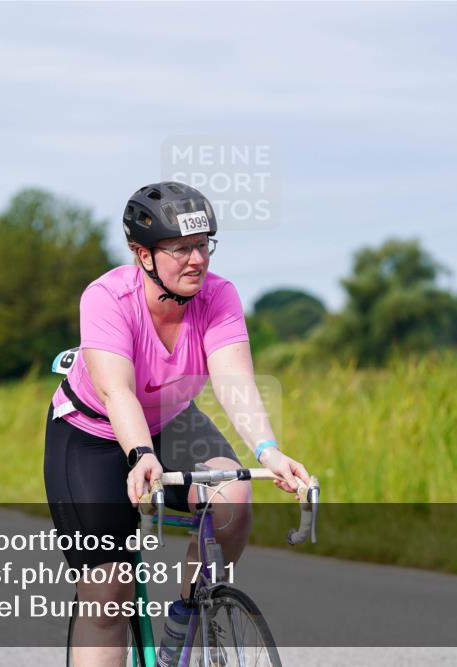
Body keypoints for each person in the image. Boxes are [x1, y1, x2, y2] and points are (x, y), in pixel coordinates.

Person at [43, 181, 310, 667]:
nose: (197, 260)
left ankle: (185, 618)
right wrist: (141, 455)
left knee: (233, 495)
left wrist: (269, 451)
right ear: (142, 254)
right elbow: (117, 390)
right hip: (93, 433)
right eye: (181, 248)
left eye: (203, 244)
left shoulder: (219, 296)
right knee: (109, 593)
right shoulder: (107, 298)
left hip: (172, 419)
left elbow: (234, 382)